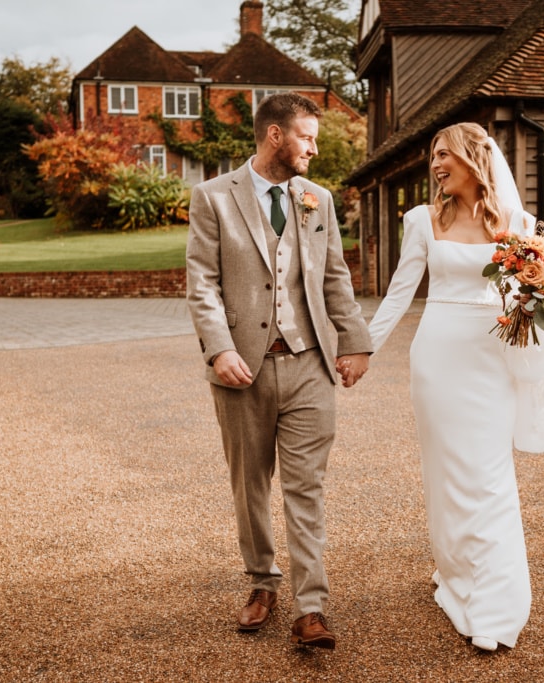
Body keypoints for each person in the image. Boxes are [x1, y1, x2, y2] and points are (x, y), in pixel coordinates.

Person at [367, 122, 544, 652]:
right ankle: (455, 571)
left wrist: (543, 299)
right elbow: (398, 296)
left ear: (474, 158)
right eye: (432, 156)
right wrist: (361, 351)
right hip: (437, 360)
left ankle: (496, 605)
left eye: (445, 154)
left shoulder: (519, 222)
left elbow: (530, 298)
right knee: (444, 474)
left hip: (491, 363)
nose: (436, 164)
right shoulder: (421, 220)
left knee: (487, 475)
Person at [186, 92, 372, 650]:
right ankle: (262, 582)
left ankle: (310, 607)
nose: (313, 148)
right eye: (307, 137)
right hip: (243, 368)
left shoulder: (317, 199)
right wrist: (219, 349)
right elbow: (202, 283)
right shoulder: (213, 197)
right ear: (275, 136)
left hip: (310, 364)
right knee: (249, 485)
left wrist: (355, 342)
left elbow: (335, 276)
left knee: (305, 487)